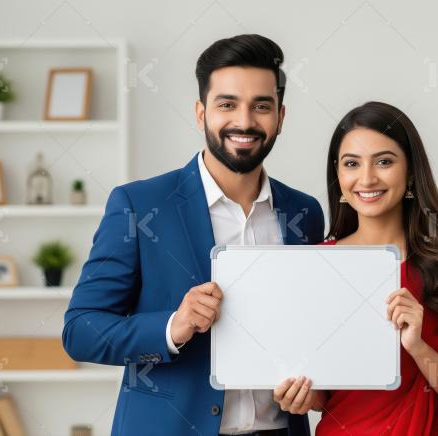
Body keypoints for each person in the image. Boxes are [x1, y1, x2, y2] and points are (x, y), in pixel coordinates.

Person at [62, 34, 324, 436]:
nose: (245, 121)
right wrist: (172, 327)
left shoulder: (305, 214)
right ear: (201, 114)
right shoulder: (139, 204)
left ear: (280, 117)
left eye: (261, 106)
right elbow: (81, 330)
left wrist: (311, 389)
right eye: (227, 104)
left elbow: (310, 331)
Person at [273, 101, 438, 435]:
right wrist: (302, 396)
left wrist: (418, 348)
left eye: (384, 161)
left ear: (411, 170)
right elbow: (322, 389)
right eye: (352, 163)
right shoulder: (317, 265)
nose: (367, 178)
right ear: (338, 174)